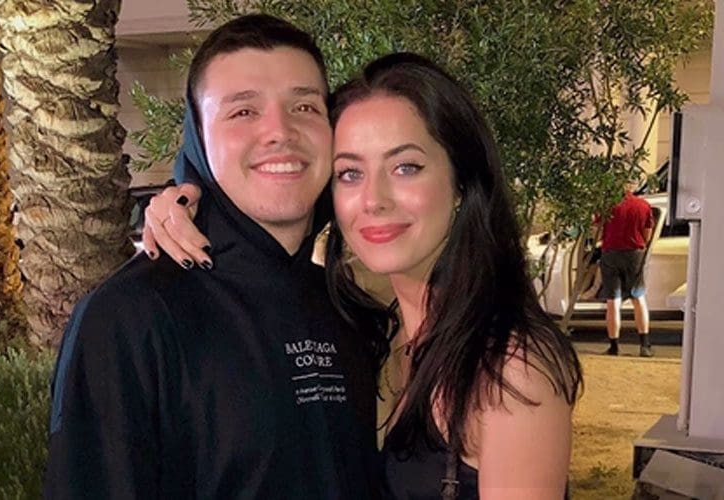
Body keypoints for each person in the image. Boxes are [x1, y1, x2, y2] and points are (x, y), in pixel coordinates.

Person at [146, 52, 583, 498]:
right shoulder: (379, 333)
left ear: (462, 182)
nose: (374, 199)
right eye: (350, 173)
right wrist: (189, 198)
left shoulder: (509, 370)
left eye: (406, 167)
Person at [43, 15, 384, 499]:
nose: (280, 131)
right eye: (243, 111)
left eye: (305, 106)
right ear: (198, 139)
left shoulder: (351, 307)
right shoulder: (130, 318)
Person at [597, 181, 655, 357]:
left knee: (613, 301)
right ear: (631, 186)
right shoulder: (643, 205)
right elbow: (647, 233)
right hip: (634, 255)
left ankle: (614, 346)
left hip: (611, 254)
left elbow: (597, 229)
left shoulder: (607, 206)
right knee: (638, 298)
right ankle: (644, 345)